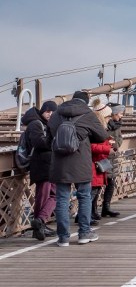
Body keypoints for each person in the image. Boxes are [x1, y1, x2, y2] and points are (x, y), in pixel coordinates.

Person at [48, 91, 110, 246]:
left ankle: (63, 238)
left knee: (62, 199)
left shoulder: (56, 114)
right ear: (86, 101)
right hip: (81, 161)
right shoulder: (88, 114)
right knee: (84, 197)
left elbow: (50, 134)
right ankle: (84, 233)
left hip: (60, 162)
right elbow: (102, 136)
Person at [23, 100, 58, 240]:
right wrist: (55, 140)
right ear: (42, 111)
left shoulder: (44, 123)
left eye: (53, 112)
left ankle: (40, 222)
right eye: (48, 111)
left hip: (49, 164)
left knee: (54, 194)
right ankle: (39, 225)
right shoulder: (35, 123)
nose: (50, 114)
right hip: (41, 164)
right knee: (43, 196)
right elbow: (39, 142)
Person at [102, 103, 125, 217]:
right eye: (120, 113)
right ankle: (93, 210)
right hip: (103, 157)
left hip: (113, 157)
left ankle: (106, 207)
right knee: (99, 184)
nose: (121, 116)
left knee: (111, 183)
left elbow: (120, 138)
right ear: (114, 113)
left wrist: (116, 144)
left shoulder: (118, 125)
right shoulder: (103, 125)